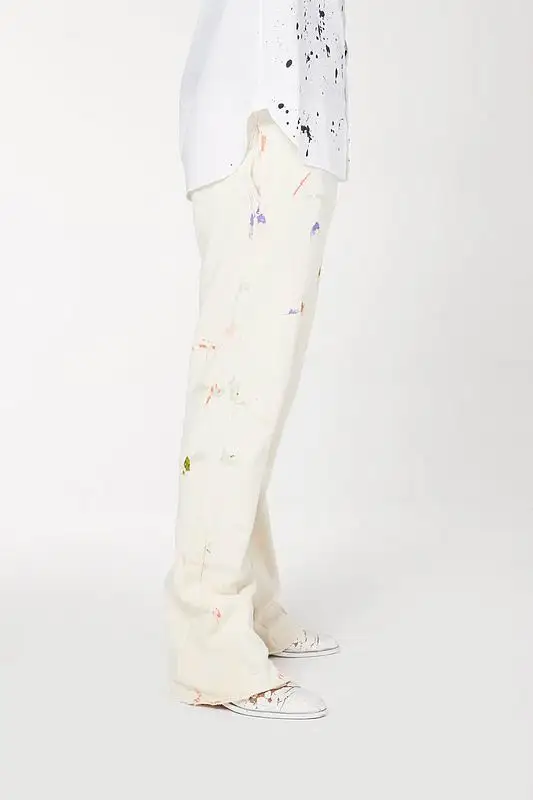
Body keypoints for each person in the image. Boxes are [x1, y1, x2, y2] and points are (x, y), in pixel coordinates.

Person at [165, 0, 350, 720]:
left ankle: (249, 601)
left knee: (260, 392)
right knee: (238, 387)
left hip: (295, 125)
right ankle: (210, 646)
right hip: (262, 120)